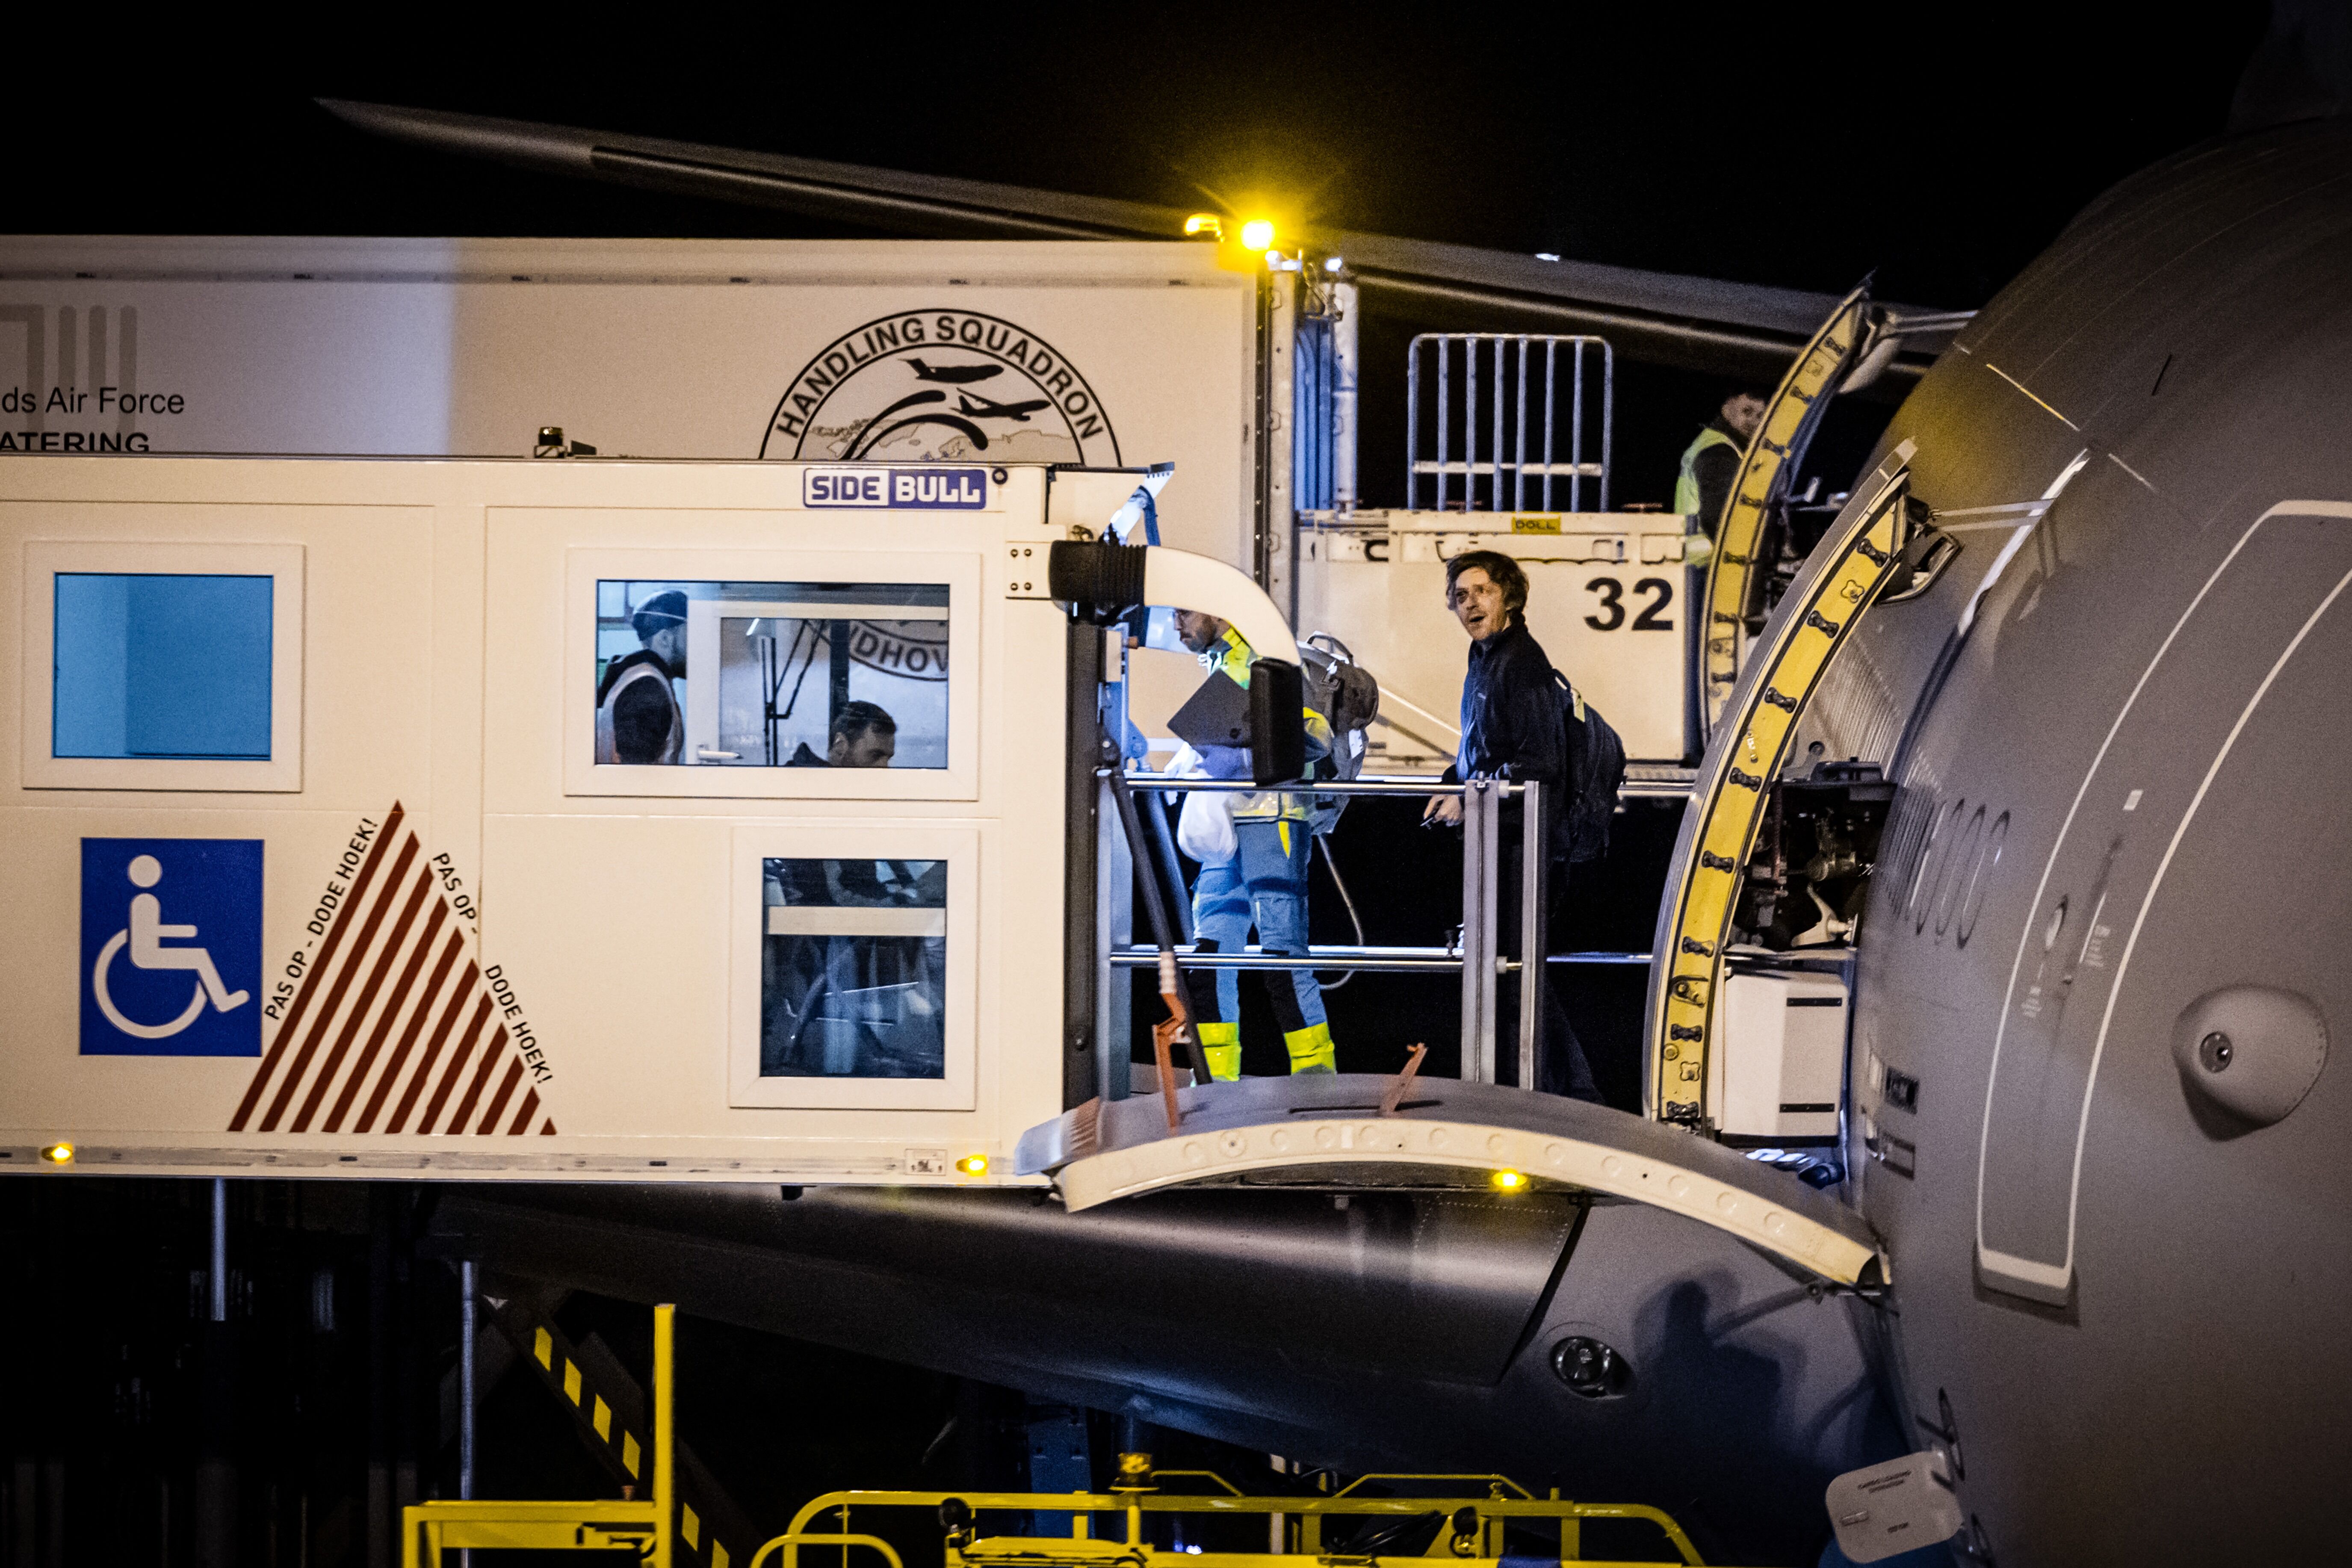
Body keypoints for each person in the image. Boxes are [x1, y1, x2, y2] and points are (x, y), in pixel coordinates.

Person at [1421, 551, 1601, 1102]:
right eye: (1461, 596)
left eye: (1482, 591)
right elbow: (1483, 746)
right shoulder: (1485, 656)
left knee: (1519, 975)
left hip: (1525, 845)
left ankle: (1564, 1097)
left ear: (1509, 597)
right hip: (1499, 839)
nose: (1470, 604)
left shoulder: (1521, 662)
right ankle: (1548, 1094)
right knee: (1512, 975)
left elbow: (1537, 763)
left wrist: (1471, 794)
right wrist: (1452, 782)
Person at [1170, 608, 1337, 1081]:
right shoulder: (1222, 661)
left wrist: (1247, 750)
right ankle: (1213, 1086)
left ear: (1215, 609)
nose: (1176, 625)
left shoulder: (1270, 655)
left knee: (1282, 959)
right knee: (1210, 956)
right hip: (1230, 824)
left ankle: (1316, 1086)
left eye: (1183, 613)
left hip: (1274, 819)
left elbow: (1317, 736)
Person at [595, 589, 688, 764]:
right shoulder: (647, 688)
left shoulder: (643, 678)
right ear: (665, 639)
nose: (697, 646)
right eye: (690, 636)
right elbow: (636, 773)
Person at [1675, 387, 1769, 539]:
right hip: (1708, 552)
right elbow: (1721, 516)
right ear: (1727, 410)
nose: (1754, 422)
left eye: (1760, 416)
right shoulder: (1718, 451)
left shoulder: (1718, 443)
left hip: (1695, 548)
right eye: (1747, 412)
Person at [786, 699, 898, 768]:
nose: (884, 766)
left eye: (888, 759)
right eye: (875, 755)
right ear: (841, 745)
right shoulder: (797, 785)